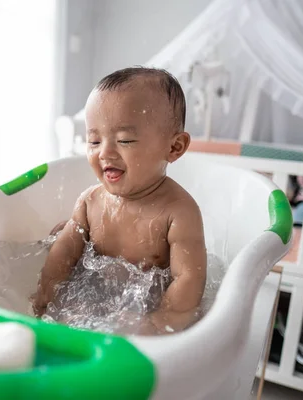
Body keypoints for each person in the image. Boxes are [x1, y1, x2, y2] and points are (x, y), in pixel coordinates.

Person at [32, 66, 207, 334]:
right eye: (94, 141)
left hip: (144, 310)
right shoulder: (90, 202)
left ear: (174, 147)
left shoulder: (179, 212)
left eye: (125, 140)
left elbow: (189, 278)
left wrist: (160, 322)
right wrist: (47, 292)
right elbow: (63, 255)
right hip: (92, 300)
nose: (105, 152)